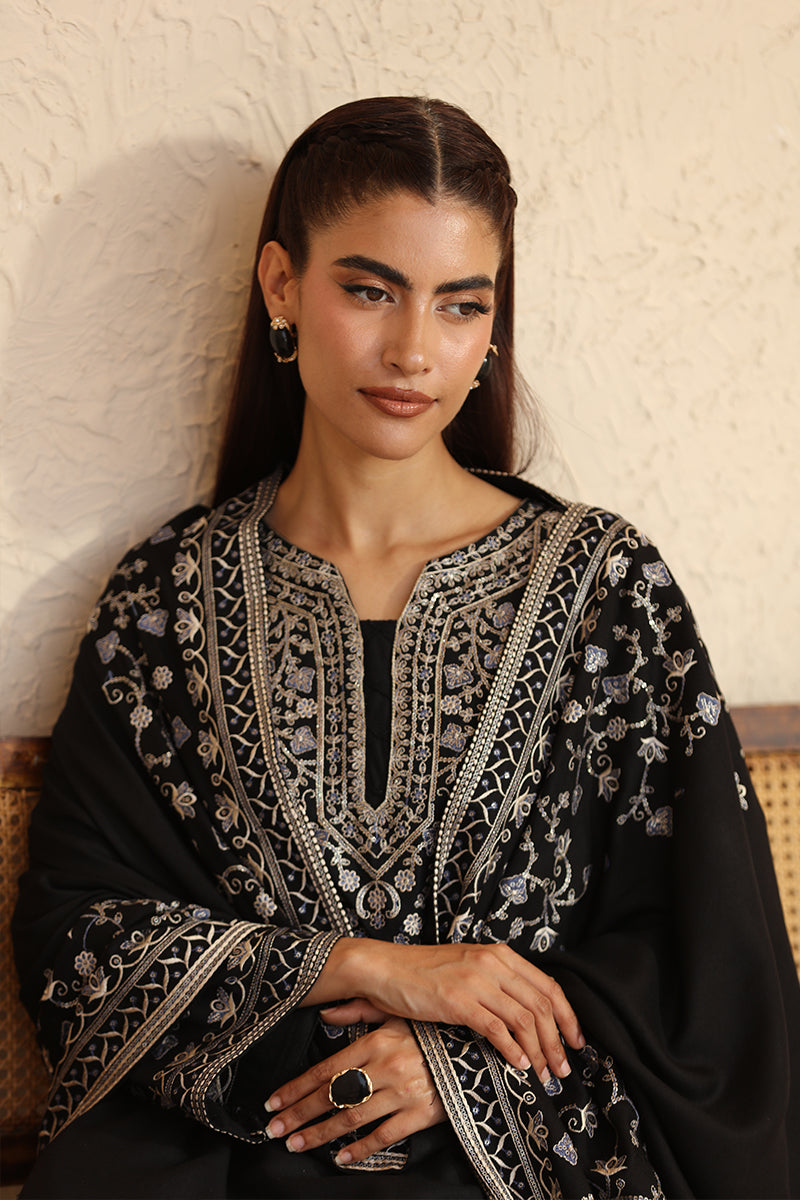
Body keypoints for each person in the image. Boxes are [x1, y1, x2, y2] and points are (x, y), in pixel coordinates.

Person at [13, 96, 799, 1200]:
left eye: (459, 304)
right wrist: (368, 968)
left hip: (523, 1156)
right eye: (369, 290)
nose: (413, 351)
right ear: (282, 284)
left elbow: (711, 965)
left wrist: (463, 1065)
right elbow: (74, 936)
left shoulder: (602, 591)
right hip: (237, 1151)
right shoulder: (167, 601)